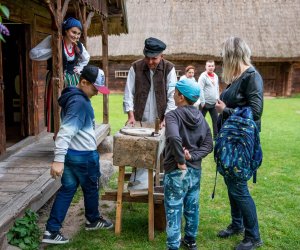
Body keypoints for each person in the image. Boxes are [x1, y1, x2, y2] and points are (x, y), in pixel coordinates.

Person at [41, 65, 112, 245]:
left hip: (72, 156)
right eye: (95, 88)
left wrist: (62, 158)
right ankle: (93, 220)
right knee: (91, 187)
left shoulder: (73, 96)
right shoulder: (79, 103)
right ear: (84, 82)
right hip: (83, 156)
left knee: (67, 190)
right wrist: (57, 160)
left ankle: (51, 231)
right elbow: (65, 132)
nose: (97, 92)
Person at [215, 37, 264, 250]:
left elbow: (256, 112)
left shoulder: (252, 76)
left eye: (225, 56)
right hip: (230, 141)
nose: (223, 60)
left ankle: (253, 237)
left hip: (241, 143)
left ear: (232, 55)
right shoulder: (237, 77)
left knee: (239, 187)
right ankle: (237, 225)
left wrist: (225, 110)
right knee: (231, 184)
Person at [163, 78, 213, 250]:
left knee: (174, 208)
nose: (173, 94)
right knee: (192, 206)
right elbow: (209, 144)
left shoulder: (172, 115)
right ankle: (190, 240)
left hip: (177, 170)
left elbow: (174, 137)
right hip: (195, 172)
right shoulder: (201, 117)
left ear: (181, 97)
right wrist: (193, 156)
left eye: (175, 91)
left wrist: (182, 160)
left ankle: (173, 246)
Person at [123, 37, 177, 190]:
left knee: (164, 152)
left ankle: (160, 184)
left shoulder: (169, 68)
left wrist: (167, 118)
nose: (151, 62)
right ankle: (139, 186)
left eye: (154, 58)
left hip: (162, 118)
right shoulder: (136, 67)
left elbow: (172, 95)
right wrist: (131, 115)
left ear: (162, 56)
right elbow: (128, 93)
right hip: (141, 117)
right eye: (148, 58)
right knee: (140, 150)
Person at [30, 17, 90, 132]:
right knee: (56, 107)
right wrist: (53, 50)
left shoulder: (78, 46)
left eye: (78, 33)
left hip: (72, 81)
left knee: (73, 108)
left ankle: (72, 134)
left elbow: (86, 58)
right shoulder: (53, 40)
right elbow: (33, 54)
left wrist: (79, 68)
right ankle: (58, 135)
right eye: (73, 32)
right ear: (66, 30)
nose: (76, 36)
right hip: (56, 80)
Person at [198, 60, 219, 139]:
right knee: (200, 121)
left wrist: (217, 100)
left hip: (214, 103)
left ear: (214, 67)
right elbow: (200, 89)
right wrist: (202, 102)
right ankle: (199, 136)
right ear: (206, 67)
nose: (211, 67)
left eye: (212, 66)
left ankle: (216, 137)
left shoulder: (216, 76)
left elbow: (216, 88)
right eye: (209, 66)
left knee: (216, 120)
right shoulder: (203, 76)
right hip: (204, 103)